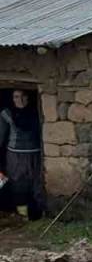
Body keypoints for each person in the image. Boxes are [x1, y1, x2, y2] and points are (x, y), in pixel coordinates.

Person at [0, 89, 46, 221]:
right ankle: (23, 217)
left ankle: (41, 216)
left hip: (34, 154)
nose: (19, 100)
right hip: (15, 156)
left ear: (28, 98)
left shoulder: (37, 112)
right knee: (18, 186)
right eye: (16, 97)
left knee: (37, 184)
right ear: (12, 99)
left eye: (23, 96)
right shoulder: (6, 114)